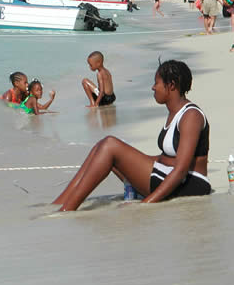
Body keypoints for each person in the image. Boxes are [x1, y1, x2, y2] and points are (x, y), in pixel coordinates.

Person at [53, 60, 211, 211]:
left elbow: (181, 169)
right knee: (101, 146)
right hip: (167, 174)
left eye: (156, 82)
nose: (153, 88)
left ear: (171, 85)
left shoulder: (191, 116)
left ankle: (67, 209)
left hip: (190, 185)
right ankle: (60, 202)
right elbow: (169, 158)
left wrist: (146, 203)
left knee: (110, 145)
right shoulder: (175, 113)